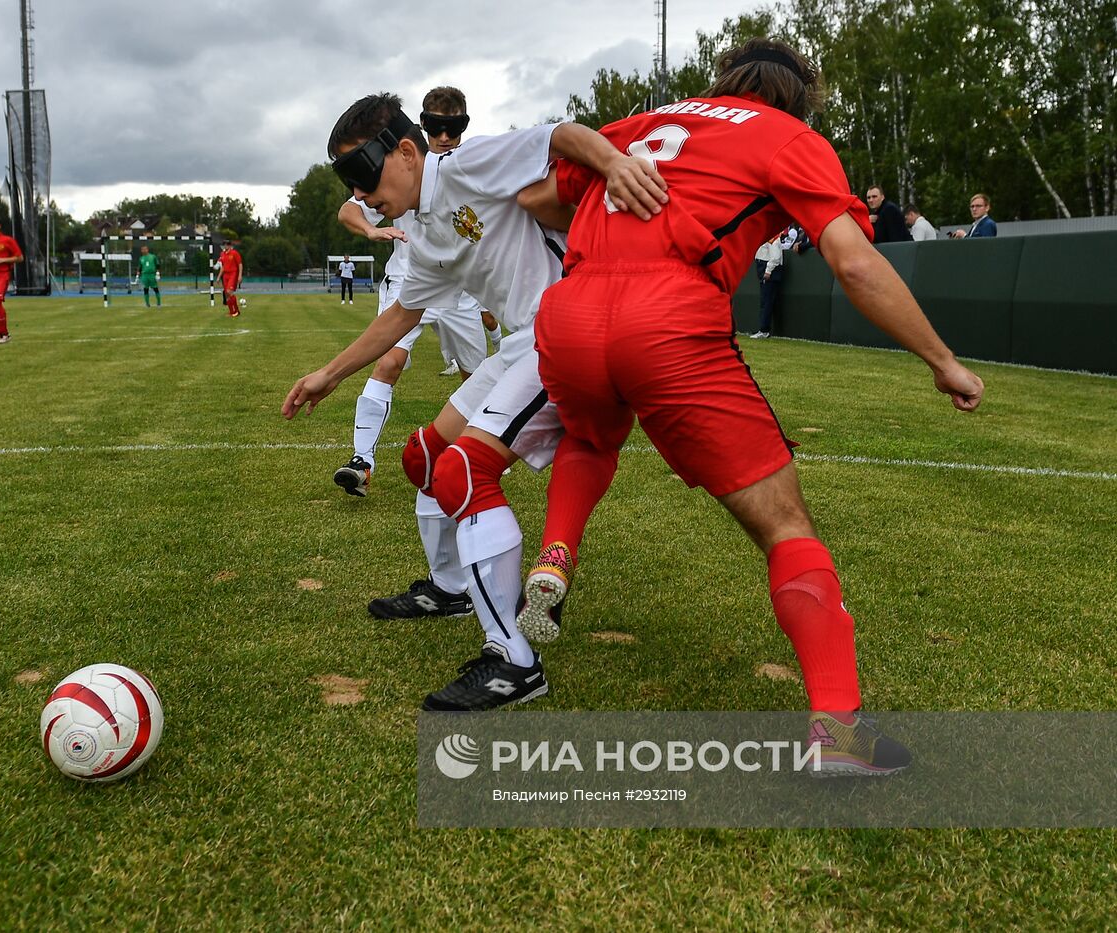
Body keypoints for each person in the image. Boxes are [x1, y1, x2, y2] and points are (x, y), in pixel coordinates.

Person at [518, 37, 984, 772]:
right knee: (786, 525)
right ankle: (841, 736)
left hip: (569, 312)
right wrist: (942, 359)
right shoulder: (789, 138)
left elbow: (537, 199)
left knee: (591, 435)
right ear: (800, 96)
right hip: (668, 318)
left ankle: (555, 555)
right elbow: (855, 262)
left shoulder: (644, 122)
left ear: (725, 80)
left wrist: (608, 181)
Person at [284, 92, 667, 711]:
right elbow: (403, 313)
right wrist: (331, 372)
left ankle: (513, 658)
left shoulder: (465, 166)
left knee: (464, 469)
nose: (360, 196)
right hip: (522, 345)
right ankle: (452, 586)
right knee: (424, 459)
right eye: (349, 184)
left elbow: (561, 134)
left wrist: (615, 163)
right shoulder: (425, 231)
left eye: (364, 177)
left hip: (564, 334)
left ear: (407, 151)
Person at [331, 86, 494, 498]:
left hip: (461, 288)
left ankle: (478, 451)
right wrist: (370, 228)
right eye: (435, 126)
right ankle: (361, 460)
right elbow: (350, 208)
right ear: (421, 129)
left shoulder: (474, 166)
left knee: (476, 375)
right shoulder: (395, 175)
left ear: (464, 127)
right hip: (410, 282)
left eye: (453, 127)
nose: (443, 135)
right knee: (390, 361)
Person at [751, 231, 784, 338]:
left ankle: (764, 330)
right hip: (762, 266)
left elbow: (775, 257)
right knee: (765, 301)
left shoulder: (773, 238)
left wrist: (768, 270)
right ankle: (763, 328)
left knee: (767, 302)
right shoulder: (765, 236)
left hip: (769, 270)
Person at [218, 241, 243, 317]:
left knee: (229, 291)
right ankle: (231, 312)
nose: (225, 246)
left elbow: (240, 264)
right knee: (226, 294)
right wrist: (219, 277)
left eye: (227, 245)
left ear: (230, 245)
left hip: (233, 273)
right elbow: (223, 267)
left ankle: (236, 311)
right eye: (224, 245)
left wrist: (240, 275)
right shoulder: (222, 254)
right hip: (225, 275)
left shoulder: (234, 253)